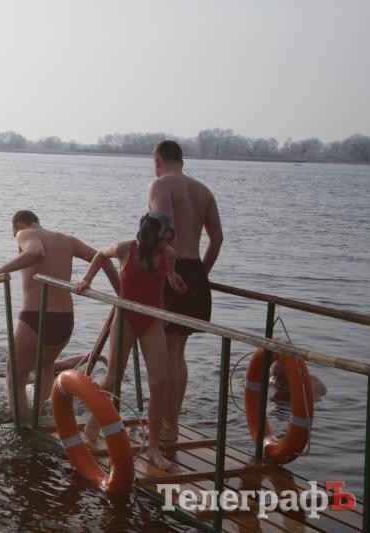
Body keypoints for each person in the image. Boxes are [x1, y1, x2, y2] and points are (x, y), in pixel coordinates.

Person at [73, 211, 187, 469]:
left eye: (168, 240)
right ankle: (92, 425)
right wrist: (86, 280)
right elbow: (100, 256)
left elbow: (167, 275)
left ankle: (153, 448)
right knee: (113, 378)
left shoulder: (168, 254)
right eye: (161, 239)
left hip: (152, 319)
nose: (165, 245)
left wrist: (173, 278)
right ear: (149, 235)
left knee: (159, 383)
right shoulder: (124, 249)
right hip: (125, 316)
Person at [0, 210, 121, 422]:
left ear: (18, 226)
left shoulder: (25, 233)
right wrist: (121, 293)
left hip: (35, 317)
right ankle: (41, 416)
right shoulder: (67, 240)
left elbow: (36, 252)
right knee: (44, 366)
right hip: (65, 322)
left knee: (14, 377)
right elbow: (103, 259)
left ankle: (24, 428)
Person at [147, 140, 223, 443]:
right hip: (194, 271)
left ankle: (166, 427)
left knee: (165, 354)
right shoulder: (203, 190)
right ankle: (172, 424)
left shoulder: (161, 185)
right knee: (177, 353)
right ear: (182, 160)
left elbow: (167, 231)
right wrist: (201, 273)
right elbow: (217, 238)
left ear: (157, 160)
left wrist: (170, 271)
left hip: (172, 270)